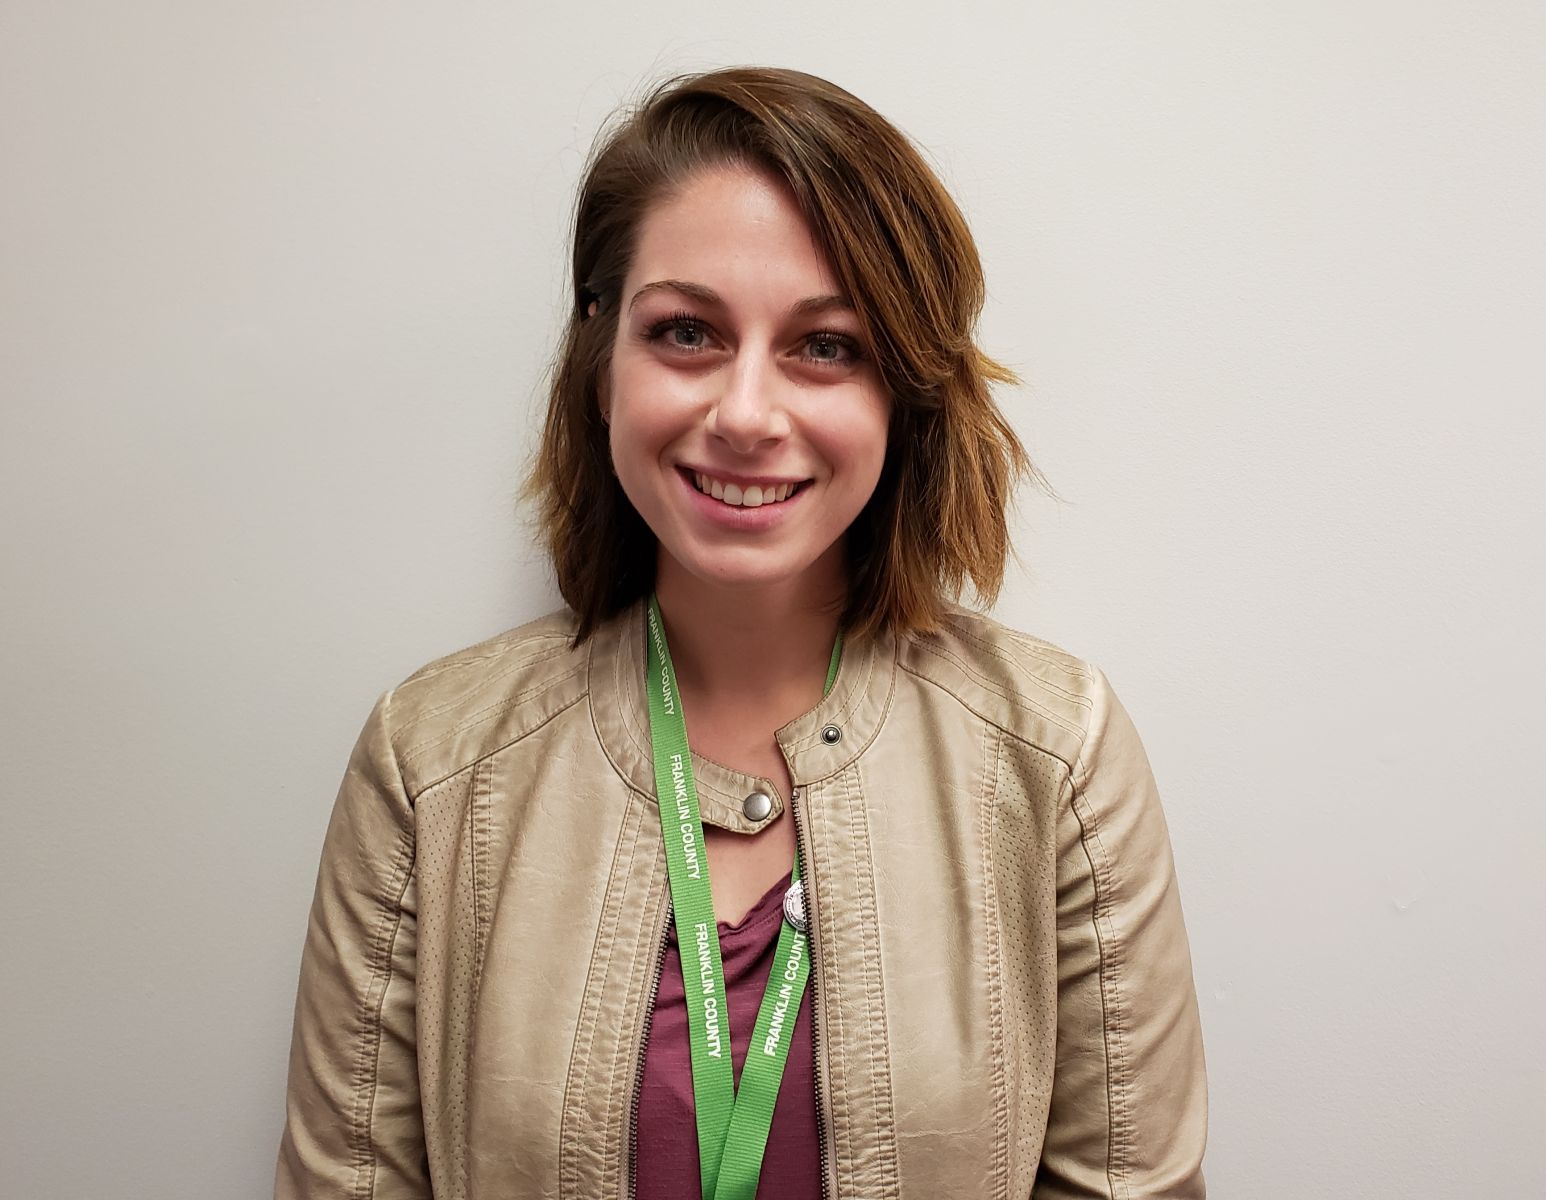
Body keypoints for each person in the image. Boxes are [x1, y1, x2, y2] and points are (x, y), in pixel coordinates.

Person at [274, 65, 1208, 1199]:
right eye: (686, 332)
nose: (748, 416)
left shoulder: (1057, 751)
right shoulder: (428, 760)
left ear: (903, 393)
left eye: (825, 346)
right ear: (601, 360)